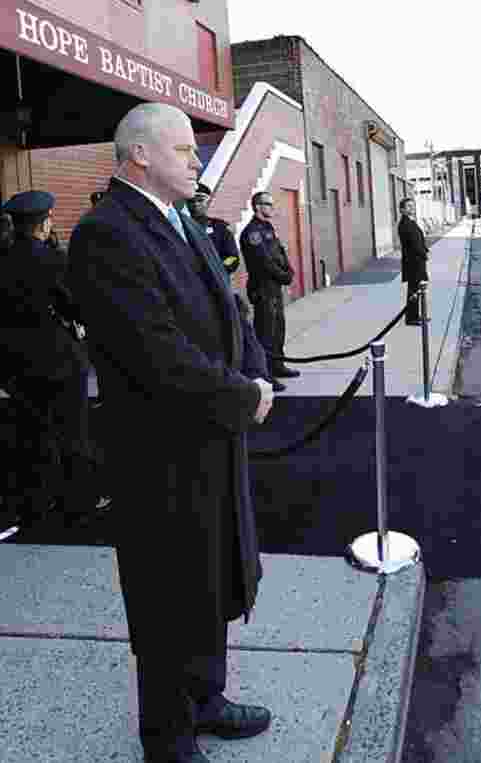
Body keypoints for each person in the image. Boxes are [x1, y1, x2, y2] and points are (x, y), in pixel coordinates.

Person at [67, 102, 276, 763]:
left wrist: (257, 367)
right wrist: (243, 394)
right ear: (140, 156)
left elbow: (231, 310)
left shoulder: (181, 219)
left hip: (210, 437)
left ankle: (206, 699)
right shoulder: (106, 233)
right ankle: (167, 735)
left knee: (212, 577)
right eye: (184, 150)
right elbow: (156, 352)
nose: (196, 160)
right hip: (159, 457)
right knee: (167, 597)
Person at [0, 190, 109, 524]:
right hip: (58, 359)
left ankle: (37, 502)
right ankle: (78, 501)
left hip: (14, 362)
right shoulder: (52, 260)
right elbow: (75, 306)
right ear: (44, 223)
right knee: (72, 431)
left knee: (32, 431)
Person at [240, 191, 298, 392]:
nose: (273, 207)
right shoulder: (252, 232)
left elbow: (279, 253)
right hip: (263, 287)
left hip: (275, 287)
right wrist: (284, 276)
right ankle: (264, 374)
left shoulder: (268, 228)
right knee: (265, 332)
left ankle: (277, 366)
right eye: (269, 204)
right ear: (257, 206)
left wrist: (289, 270)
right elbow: (263, 262)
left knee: (278, 328)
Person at [188, 182, 242, 276]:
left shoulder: (220, 228)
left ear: (208, 202)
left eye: (200, 200)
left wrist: (218, 268)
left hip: (215, 281)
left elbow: (232, 257)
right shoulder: (181, 225)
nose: (196, 204)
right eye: (191, 201)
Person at [397, 197, 429, 326]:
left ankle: (416, 315)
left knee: (416, 289)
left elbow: (419, 239)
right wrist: (423, 253)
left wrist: (425, 250)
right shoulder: (404, 224)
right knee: (414, 290)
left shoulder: (411, 222)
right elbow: (413, 244)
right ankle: (411, 318)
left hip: (417, 261)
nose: (412, 208)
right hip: (413, 262)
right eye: (408, 206)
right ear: (402, 210)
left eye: (412, 205)